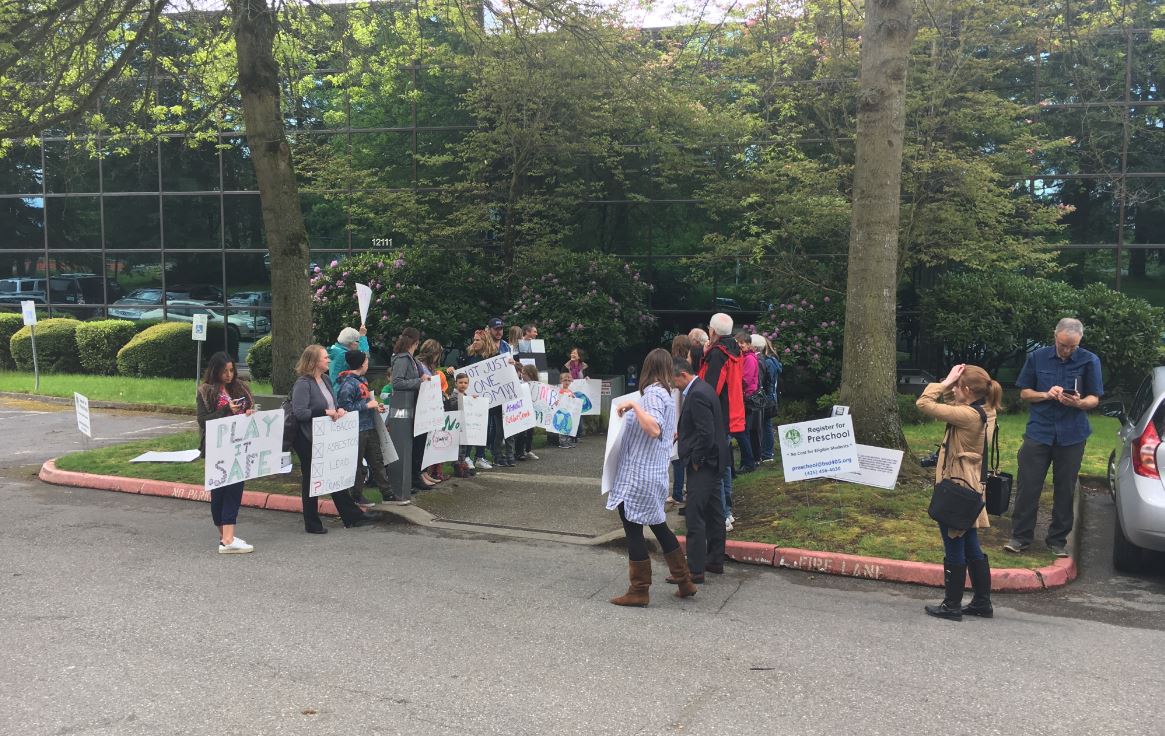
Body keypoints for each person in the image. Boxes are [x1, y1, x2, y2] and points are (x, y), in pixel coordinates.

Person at [1005, 318, 1104, 557]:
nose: (1067, 350)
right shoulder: (1037, 357)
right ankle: (1020, 537)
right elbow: (1024, 393)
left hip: (1072, 433)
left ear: (1080, 341)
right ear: (1055, 335)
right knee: (1028, 484)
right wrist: (1046, 394)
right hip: (1039, 430)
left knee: (1065, 487)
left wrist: (1078, 402)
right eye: (1063, 345)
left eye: (1072, 346)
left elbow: (1094, 398)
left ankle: (1057, 540)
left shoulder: (1090, 360)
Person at [607, 348, 696, 606]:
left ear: (648, 367)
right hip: (654, 473)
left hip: (639, 475)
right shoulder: (667, 394)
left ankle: (639, 589)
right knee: (658, 524)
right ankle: (684, 580)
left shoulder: (654, 395)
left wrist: (635, 406)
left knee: (633, 526)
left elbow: (654, 429)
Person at [916, 363, 1001, 621]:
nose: (953, 389)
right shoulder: (986, 410)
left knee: (953, 542)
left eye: (957, 386)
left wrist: (943, 384)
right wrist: (954, 384)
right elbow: (953, 406)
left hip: (957, 486)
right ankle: (982, 602)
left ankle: (951, 605)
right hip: (972, 484)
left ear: (967, 390)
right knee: (971, 543)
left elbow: (924, 404)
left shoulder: (968, 416)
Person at [289, 344, 376, 534]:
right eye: (325, 357)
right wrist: (325, 412)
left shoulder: (326, 379)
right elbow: (300, 412)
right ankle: (312, 522)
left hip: (326, 437)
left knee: (332, 476)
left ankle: (352, 516)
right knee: (311, 479)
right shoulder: (303, 384)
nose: (328, 360)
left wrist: (338, 410)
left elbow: (332, 404)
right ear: (314, 362)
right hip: (307, 438)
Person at [670, 358, 730, 583]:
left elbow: (706, 433)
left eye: (674, 380)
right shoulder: (704, 388)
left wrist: (696, 459)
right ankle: (715, 560)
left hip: (704, 463)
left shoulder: (696, 395)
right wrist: (684, 434)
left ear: (683, 375)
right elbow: (703, 426)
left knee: (695, 514)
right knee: (715, 512)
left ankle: (694, 570)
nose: (674, 385)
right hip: (715, 461)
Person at [196, 352, 255, 554]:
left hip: (238, 445)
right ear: (215, 371)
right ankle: (226, 538)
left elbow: (249, 408)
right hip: (217, 447)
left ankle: (227, 538)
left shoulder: (240, 388)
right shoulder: (206, 391)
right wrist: (225, 410)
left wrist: (249, 412)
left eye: (231, 370)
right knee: (219, 491)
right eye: (224, 371)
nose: (229, 375)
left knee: (234, 488)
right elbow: (203, 420)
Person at [336, 349, 411, 507]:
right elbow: (344, 408)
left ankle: (388, 494)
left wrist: (375, 407)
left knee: (377, 461)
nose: (368, 363)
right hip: (357, 430)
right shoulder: (348, 384)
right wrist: (367, 405)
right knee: (358, 465)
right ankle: (356, 495)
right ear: (361, 364)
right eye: (366, 361)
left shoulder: (361, 380)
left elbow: (362, 402)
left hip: (369, 426)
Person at [700, 313, 746, 532]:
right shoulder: (734, 350)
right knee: (725, 465)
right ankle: (727, 511)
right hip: (731, 415)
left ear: (713, 331)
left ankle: (722, 515)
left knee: (716, 468)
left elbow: (710, 389)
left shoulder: (719, 354)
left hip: (717, 417)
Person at [391, 327, 437, 493]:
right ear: (416, 342)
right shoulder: (403, 359)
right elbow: (397, 382)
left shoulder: (410, 359)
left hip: (416, 405)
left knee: (418, 443)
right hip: (406, 406)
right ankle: (411, 478)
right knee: (412, 443)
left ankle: (415, 476)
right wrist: (419, 381)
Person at [417, 338, 450, 481]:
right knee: (420, 443)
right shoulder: (421, 366)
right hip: (423, 409)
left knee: (426, 442)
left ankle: (424, 472)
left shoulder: (429, 368)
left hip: (430, 408)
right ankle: (420, 473)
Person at [668, 335, 692, 511]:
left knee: (676, 456)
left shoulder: (674, 366)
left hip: (676, 412)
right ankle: (685, 490)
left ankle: (677, 492)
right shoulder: (690, 365)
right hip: (683, 412)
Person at [753, 334, 783, 463]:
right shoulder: (772, 360)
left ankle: (767, 453)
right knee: (766, 424)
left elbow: (767, 380)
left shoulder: (767, 361)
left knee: (765, 424)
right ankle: (766, 452)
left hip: (767, 397)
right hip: (771, 396)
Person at [735, 329, 760, 474]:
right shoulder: (744, 357)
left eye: (742, 343)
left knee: (742, 431)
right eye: (738, 343)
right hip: (745, 397)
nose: (740, 346)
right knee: (743, 431)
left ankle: (749, 463)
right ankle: (747, 462)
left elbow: (745, 379)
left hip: (747, 398)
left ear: (749, 344)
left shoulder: (749, 359)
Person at [453, 372, 481, 478]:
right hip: (457, 426)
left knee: (463, 447)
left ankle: (462, 463)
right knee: (458, 448)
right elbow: (454, 406)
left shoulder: (465, 395)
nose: (463, 385)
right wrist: (468, 401)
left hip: (464, 426)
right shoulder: (454, 395)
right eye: (460, 382)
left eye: (465, 383)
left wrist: (472, 400)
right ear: (456, 383)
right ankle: (458, 467)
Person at [515, 364, 540, 461]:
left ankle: (528, 450)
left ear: (531, 374)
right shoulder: (520, 384)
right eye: (522, 372)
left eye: (524, 373)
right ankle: (519, 453)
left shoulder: (537, 385)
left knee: (530, 432)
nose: (522, 375)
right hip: (522, 412)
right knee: (521, 433)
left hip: (532, 411)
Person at [556, 372, 579, 449]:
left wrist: (573, 397)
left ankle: (567, 441)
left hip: (569, 412)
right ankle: (562, 443)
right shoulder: (560, 391)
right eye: (565, 380)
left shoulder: (570, 390)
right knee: (562, 427)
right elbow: (558, 401)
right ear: (561, 381)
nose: (567, 382)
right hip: (562, 412)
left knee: (568, 426)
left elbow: (573, 400)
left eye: (569, 380)